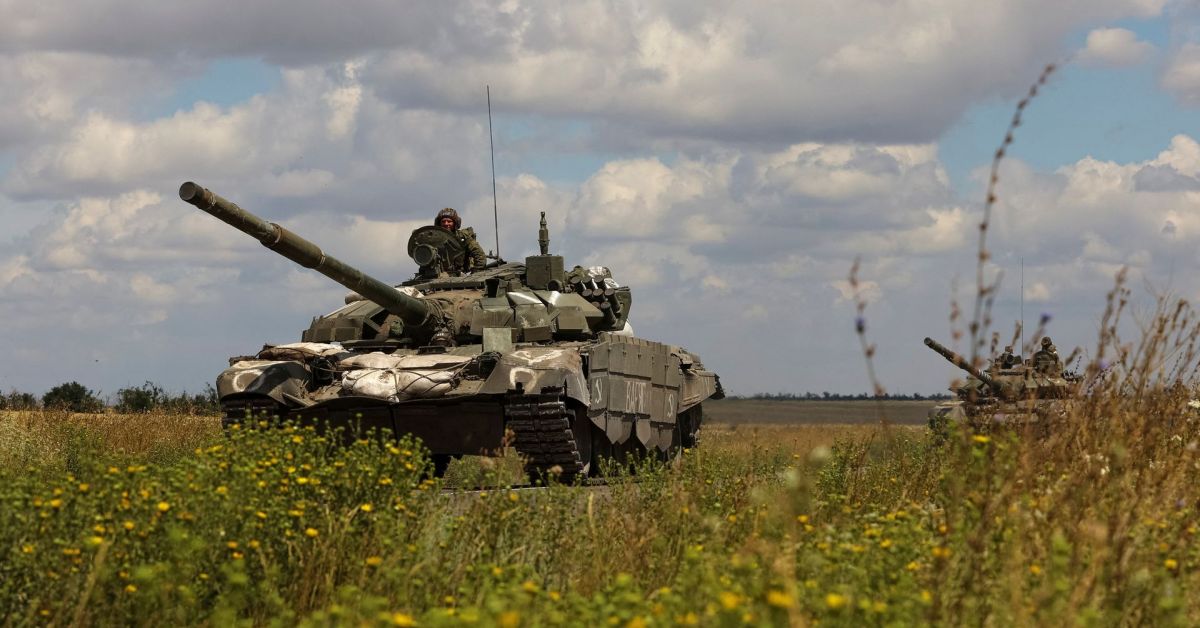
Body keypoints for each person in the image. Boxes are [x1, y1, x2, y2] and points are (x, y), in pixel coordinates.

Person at [435, 207, 487, 273]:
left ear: (455, 223)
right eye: (443, 221)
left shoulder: (463, 237)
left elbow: (479, 254)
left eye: (449, 221)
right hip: (438, 275)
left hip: (460, 274)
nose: (446, 224)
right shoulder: (433, 239)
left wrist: (477, 272)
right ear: (439, 224)